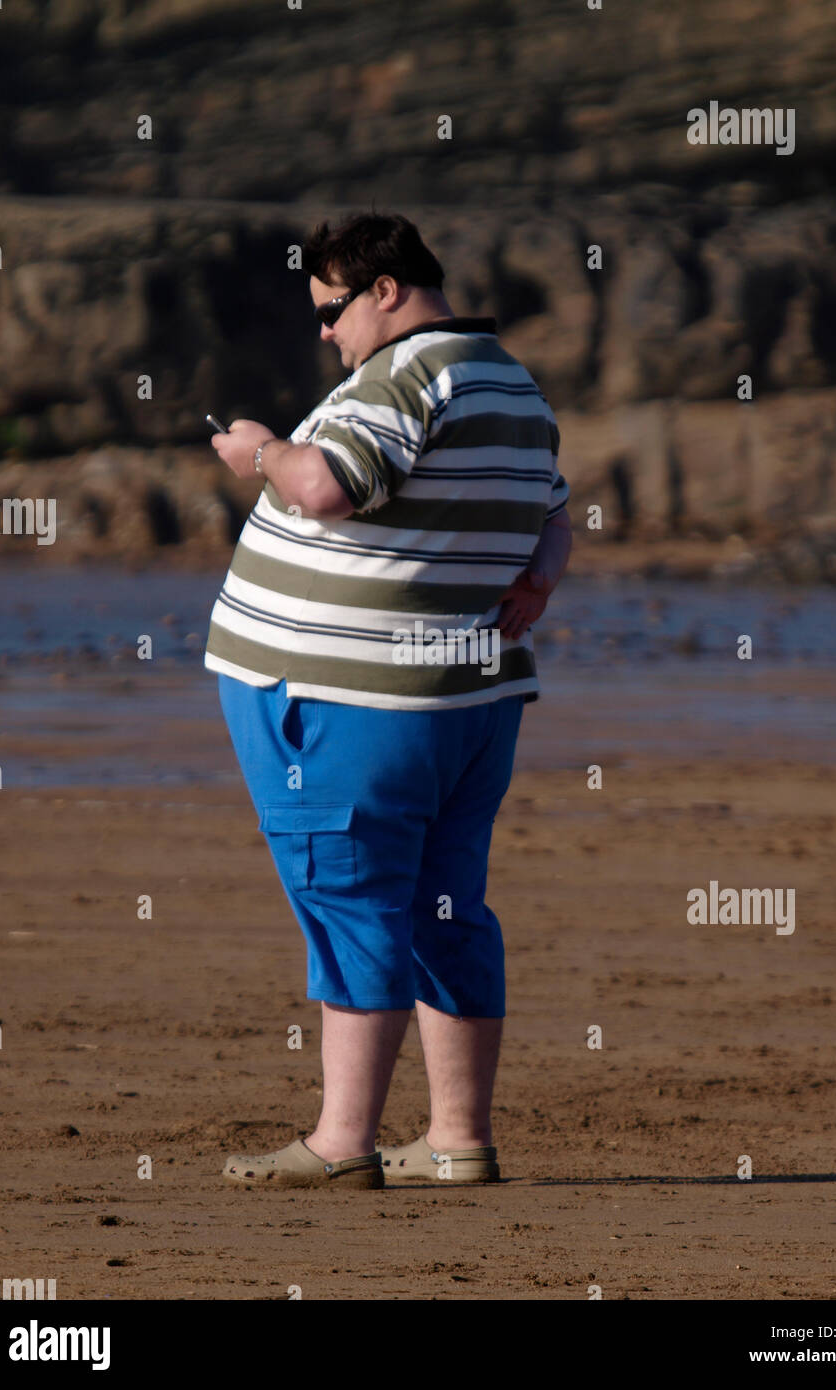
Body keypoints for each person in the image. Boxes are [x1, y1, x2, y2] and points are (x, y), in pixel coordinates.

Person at [204, 212, 572, 1189]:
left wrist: (258, 451)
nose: (324, 333)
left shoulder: (407, 375)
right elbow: (554, 516)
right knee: (445, 906)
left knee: (353, 897)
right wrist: (535, 582)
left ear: (385, 290)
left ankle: (341, 1142)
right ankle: (456, 1138)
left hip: (352, 699)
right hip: (465, 701)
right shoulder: (512, 383)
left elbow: (328, 485)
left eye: (331, 310)